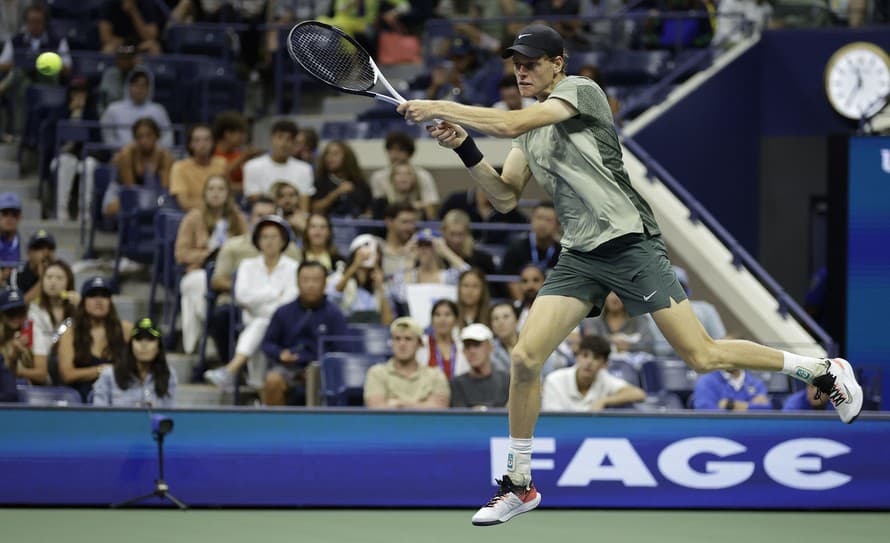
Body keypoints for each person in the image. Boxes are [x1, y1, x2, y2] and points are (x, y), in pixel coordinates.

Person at [397, 23, 863, 525]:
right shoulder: (528, 131)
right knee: (526, 356)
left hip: (631, 245)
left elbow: (511, 124)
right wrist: (464, 146)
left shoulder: (581, 92)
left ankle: (820, 369)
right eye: (516, 62)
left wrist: (442, 107)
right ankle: (519, 483)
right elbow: (507, 195)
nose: (521, 69)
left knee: (701, 355)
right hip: (580, 255)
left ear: (559, 63)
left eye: (532, 62)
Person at [204, 216, 298, 389]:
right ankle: (255, 385)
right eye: (265, 237)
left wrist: (261, 299)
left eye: (274, 237)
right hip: (249, 317)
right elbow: (242, 296)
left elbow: (289, 301)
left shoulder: (293, 267)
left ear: (283, 240)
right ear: (258, 241)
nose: (269, 242)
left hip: (282, 322)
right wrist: (274, 294)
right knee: (261, 323)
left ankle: (232, 370)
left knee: (262, 324)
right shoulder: (247, 265)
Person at [175, 174, 247, 354]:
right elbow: (181, 254)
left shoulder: (237, 218)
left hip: (230, 274)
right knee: (200, 283)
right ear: (205, 194)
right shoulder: (193, 217)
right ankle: (209, 332)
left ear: (228, 194)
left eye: (221, 189)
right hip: (199, 271)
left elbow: (249, 246)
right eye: (211, 189)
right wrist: (207, 254)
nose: (216, 193)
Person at [261, 261, 349, 406]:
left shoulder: (334, 314)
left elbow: (343, 349)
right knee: (272, 381)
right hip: (289, 367)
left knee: (317, 378)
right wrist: (280, 353)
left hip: (321, 368)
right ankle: (277, 426)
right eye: (306, 280)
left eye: (316, 280)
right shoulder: (283, 312)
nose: (310, 285)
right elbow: (267, 343)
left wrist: (319, 363)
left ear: (325, 284)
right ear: (297, 282)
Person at [56, 277, 132, 402]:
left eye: (104, 296)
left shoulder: (126, 330)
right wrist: (102, 370)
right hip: (81, 400)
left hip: (119, 397)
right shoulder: (70, 333)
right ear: (84, 302)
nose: (98, 300)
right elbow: (67, 375)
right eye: (92, 295)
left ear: (110, 302)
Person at [542, 335, 646, 412]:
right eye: (585, 355)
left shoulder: (605, 379)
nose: (589, 362)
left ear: (604, 364)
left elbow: (638, 394)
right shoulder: (554, 380)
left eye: (596, 358)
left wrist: (604, 401)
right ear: (577, 356)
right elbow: (553, 421)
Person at [364, 316, 450, 410]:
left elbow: (439, 409)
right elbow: (376, 409)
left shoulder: (436, 375)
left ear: (419, 344)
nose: (402, 344)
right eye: (397, 339)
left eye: (408, 339)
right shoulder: (377, 373)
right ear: (391, 343)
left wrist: (398, 404)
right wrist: (422, 405)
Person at [92, 317, 176, 407]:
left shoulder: (168, 375)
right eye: (139, 339)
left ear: (159, 346)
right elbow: (98, 416)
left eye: (150, 339)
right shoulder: (109, 375)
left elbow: (169, 415)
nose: (144, 344)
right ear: (130, 345)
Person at [648, 266, 726, 357]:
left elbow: (720, 340)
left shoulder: (705, 309)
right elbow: (657, 349)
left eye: (678, 286)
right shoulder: (649, 313)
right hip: (661, 364)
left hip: (702, 361)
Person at [104, 117, 174, 217]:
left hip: (154, 194)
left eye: (148, 135)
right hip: (123, 192)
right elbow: (130, 191)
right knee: (112, 208)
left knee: (165, 205)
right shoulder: (127, 154)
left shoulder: (165, 157)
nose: (144, 140)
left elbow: (165, 190)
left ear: (157, 136)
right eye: (139, 137)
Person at [388, 229, 468, 314]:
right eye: (420, 245)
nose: (423, 250)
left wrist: (445, 251)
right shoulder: (409, 274)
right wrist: (410, 259)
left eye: (428, 245)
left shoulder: (447, 276)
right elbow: (402, 296)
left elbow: (467, 273)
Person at [27, 259, 78, 385]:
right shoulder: (33, 311)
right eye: (49, 277)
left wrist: (81, 311)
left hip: (71, 364)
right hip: (42, 364)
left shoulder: (77, 309)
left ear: (68, 282)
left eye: (59, 278)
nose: (53, 282)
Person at [500, 201, 561, 302]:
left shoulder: (562, 252)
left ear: (558, 225)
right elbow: (510, 282)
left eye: (548, 220)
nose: (542, 224)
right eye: (539, 218)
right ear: (531, 220)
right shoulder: (516, 247)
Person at [243, 120, 314, 205]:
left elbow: (304, 204)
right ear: (271, 138)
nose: (283, 143)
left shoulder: (305, 169)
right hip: (264, 214)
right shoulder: (252, 166)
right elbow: (254, 199)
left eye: (289, 139)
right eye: (280, 137)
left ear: (294, 143)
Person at [327, 234, 392, 326]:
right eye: (365, 249)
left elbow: (387, 322)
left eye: (375, 252)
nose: (369, 254)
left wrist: (380, 287)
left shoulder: (382, 285)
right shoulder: (339, 277)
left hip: (372, 334)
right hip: (344, 330)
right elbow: (333, 297)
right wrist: (354, 267)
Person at [100, 67, 172, 148]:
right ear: (128, 86)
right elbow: (108, 137)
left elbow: (167, 136)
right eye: (136, 85)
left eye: (143, 85)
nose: (139, 89)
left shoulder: (159, 110)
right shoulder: (113, 109)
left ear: (149, 88)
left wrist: (153, 151)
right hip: (122, 156)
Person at [368, 132, 440, 210]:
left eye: (400, 150)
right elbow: (377, 206)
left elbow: (432, 204)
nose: (394, 154)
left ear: (410, 154)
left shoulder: (423, 175)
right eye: (391, 149)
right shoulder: (378, 177)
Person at [438, 187, 527, 245]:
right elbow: (437, 222)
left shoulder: (505, 207)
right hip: (464, 247)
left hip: (493, 251)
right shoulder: (457, 200)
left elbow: (525, 225)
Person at [169, 123, 227, 211]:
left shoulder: (221, 163)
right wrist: (214, 203)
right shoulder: (179, 167)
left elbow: (227, 196)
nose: (202, 144)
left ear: (213, 143)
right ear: (190, 144)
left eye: (206, 139)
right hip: (192, 216)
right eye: (197, 140)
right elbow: (184, 203)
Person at [451, 323, 510, 409]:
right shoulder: (457, 384)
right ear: (463, 351)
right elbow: (461, 418)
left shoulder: (506, 380)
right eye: (467, 346)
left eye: (476, 344)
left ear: (490, 347)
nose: (471, 351)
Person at [582, 292, 655, 355]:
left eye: (619, 294)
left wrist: (628, 346)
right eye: (610, 293)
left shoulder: (639, 319)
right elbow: (591, 343)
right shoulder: (593, 318)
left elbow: (648, 344)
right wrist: (612, 341)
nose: (614, 298)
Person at [311, 140, 372, 217]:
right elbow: (314, 209)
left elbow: (369, 209)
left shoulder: (360, 183)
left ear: (347, 157)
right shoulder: (320, 181)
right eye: (327, 154)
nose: (330, 158)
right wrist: (337, 193)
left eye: (335, 154)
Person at [0, 287, 43, 384]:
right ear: (2, 315)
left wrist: (18, 371)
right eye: (10, 313)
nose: (15, 317)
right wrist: (12, 357)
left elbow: (42, 375)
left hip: (30, 388)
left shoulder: (34, 332)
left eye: (20, 312)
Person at [213, 110, 261, 195]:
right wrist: (243, 158)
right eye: (241, 133)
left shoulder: (240, 154)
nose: (244, 137)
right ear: (227, 134)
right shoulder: (211, 154)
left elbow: (250, 183)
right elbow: (217, 180)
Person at [417, 299, 468, 379]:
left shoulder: (463, 346)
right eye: (437, 315)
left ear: (456, 320)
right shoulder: (421, 344)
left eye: (447, 315)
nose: (442, 319)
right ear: (432, 320)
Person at [440, 209, 497, 277]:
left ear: (467, 233)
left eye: (460, 234)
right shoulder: (436, 259)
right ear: (443, 232)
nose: (456, 240)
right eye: (452, 234)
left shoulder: (482, 259)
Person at [693, 368, 772, 411]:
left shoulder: (756, 384)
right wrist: (749, 407)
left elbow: (766, 410)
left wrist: (730, 405)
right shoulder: (706, 382)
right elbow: (706, 415)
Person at [14, 229, 55, 303]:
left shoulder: (60, 272)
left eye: (50, 247)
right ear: (29, 253)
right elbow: (18, 305)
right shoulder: (18, 273)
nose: (45, 252)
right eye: (39, 247)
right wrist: (43, 279)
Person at [380, 202, 418, 279]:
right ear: (389, 222)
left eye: (412, 222)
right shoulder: (378, 248)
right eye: (405, 222)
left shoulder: (418, 251)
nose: (410, 227)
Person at [0, 192, 22, 266]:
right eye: (5, 213)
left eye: (14, 214)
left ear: (20, 217)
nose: (9, 218)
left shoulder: (29, 243)